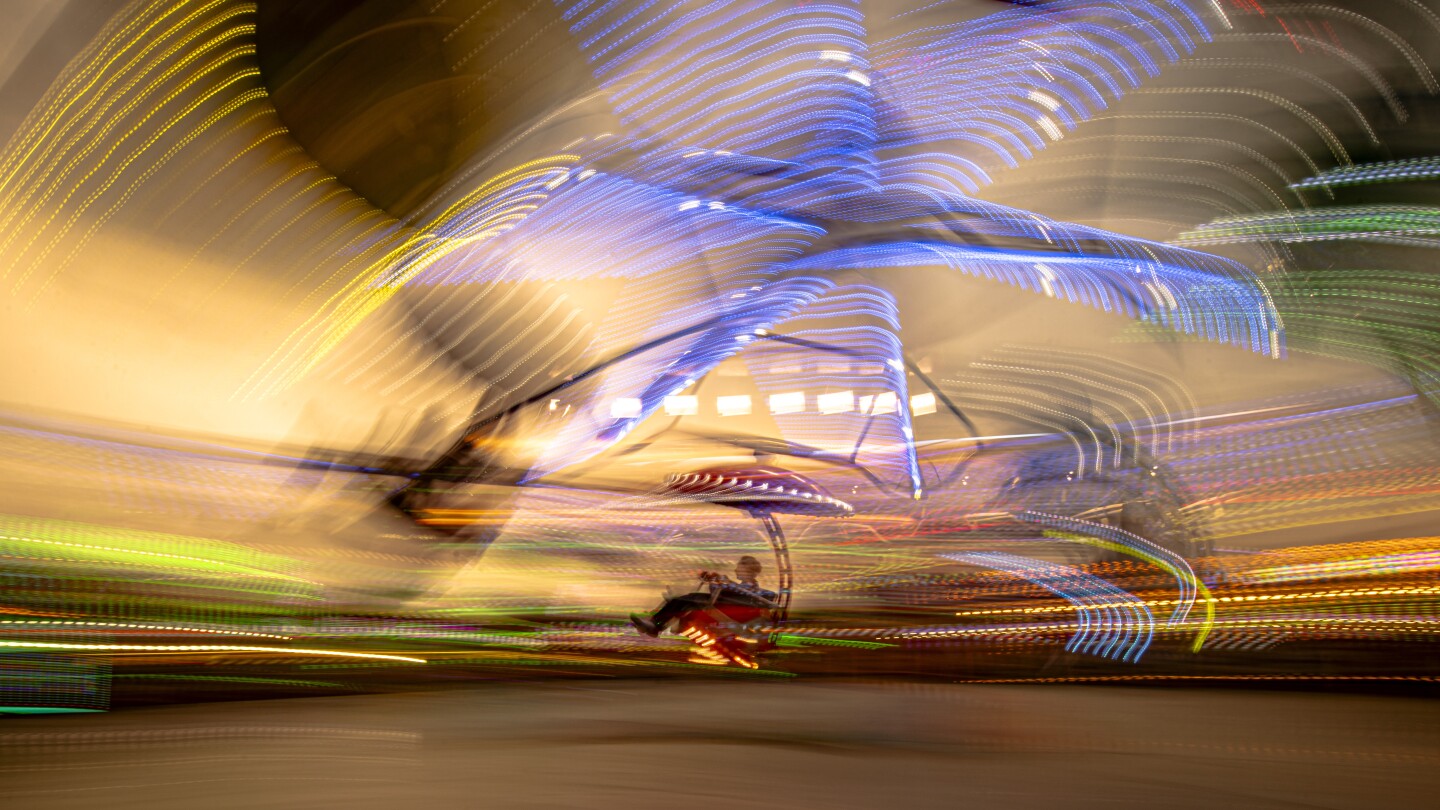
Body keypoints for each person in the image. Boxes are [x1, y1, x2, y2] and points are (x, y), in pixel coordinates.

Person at [630, 555, 777, 637]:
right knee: (683, 602)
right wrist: (718, 580)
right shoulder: (746, 588)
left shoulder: (750, 589)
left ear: (749, 571)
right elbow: (732, 588)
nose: (736, 570)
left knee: (684, 600)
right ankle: (655, 624)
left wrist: (720, 580)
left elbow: (734, 591)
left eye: (739, 568)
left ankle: (654, 624)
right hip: (723, 603)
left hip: (724, 607)